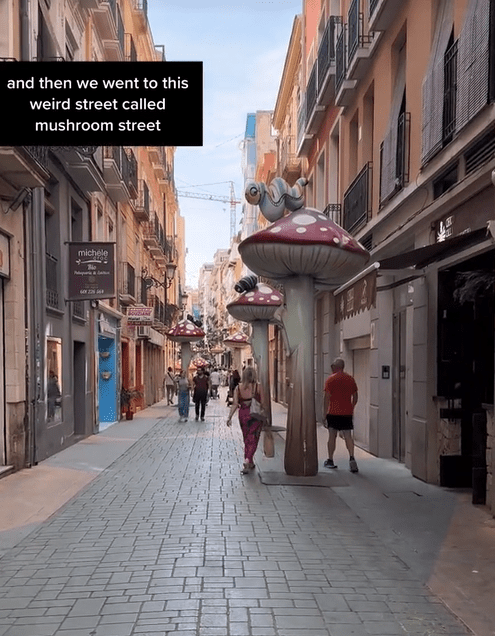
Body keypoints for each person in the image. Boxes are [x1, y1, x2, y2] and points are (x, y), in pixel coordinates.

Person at [323, 358, 359, 473]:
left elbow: (327, 398)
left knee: (332, 436)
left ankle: (330, 460)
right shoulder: (350, 379)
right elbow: (355, 396)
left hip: (333, 413)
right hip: (347, 413)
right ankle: (352, 458)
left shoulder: (330, 380)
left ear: (335, 367)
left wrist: (324, 413)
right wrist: (351, 407)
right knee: (348, 436)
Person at [226, 366, 264, 474]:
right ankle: (247, 459)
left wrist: (229, 417)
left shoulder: (238, 388)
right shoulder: (258, 387)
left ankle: (250, 460)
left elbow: (234, 404)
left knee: (247, 438)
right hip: (255, 415)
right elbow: (264, 403)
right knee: (253, 438)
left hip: (243, 415)